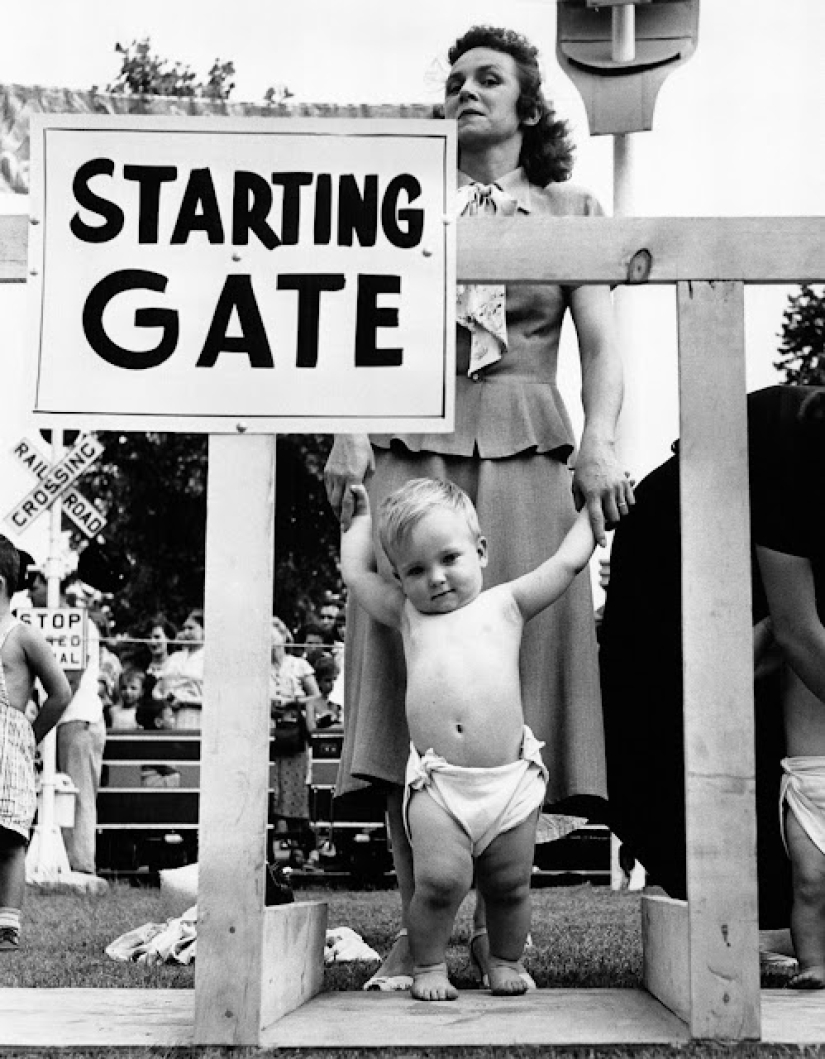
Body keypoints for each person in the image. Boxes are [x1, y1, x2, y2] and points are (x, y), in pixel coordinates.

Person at [324, 23, 632, 988]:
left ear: (527, 104)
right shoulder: (405, 204)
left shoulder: (570, 207)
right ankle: (414, 928)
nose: (464, 90)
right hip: (409, 448)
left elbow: (603, 344)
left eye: (487, 77)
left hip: (530, 448)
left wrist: (600, 439)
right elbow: (352, 312)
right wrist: (346, 424)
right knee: (400, 677)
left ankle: (502, 932)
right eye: (454, 78)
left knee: (520, 670)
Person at [600, 385, 825, 987]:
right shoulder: (801, 451)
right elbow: (799, 632)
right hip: (675, 546)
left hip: (754, 557)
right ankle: (723, 908)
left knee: (770, 694)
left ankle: (771, 920)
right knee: (672, 714)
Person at [341, 478, 597, 1000]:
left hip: (510, 783)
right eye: (416, 570)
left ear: (480, 551)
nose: (436, 578)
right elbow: (357, 574)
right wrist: (360, 520)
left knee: (510, 885)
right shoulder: (407, 615)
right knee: (438, 882)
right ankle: (429, 964)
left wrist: (593, 510)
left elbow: (567, 563)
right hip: (440, 785)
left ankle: (504, 959)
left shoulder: (507, 604)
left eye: (449, 559)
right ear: (400, 577)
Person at [0, 537, 72, 951]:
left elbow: (59, 692)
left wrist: (31, 733)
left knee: (9, 837)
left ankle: (7, 926)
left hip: (8, 749)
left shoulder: (21, 635)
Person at [28, 570, 107, 876]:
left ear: (53, 587)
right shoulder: (38, 627)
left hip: (78, 719)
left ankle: (82, 866)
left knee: (79, 794)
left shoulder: (81, 625)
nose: (30, 594)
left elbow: (69, 681)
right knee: (59, 794)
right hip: (60, 723)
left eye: (35, 586)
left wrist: (41, 723)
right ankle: (62, 864)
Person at [269, 618, 320, 852]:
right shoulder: (257, 666)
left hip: (292, 732)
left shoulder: (299, 665)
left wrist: (294, 701)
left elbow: (316, 696)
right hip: (267, 730)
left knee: (295, 785)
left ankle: (300, 842)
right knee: (271, 783)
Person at [158, 610, 204, 730]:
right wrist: (165, 699)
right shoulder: (174, 658)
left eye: (191, 628)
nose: (186, 633)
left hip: (197, 717)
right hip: (171, 717)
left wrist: (185, 701)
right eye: (184, 629)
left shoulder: (209, 658)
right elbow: (158, 689)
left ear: (204, 630)